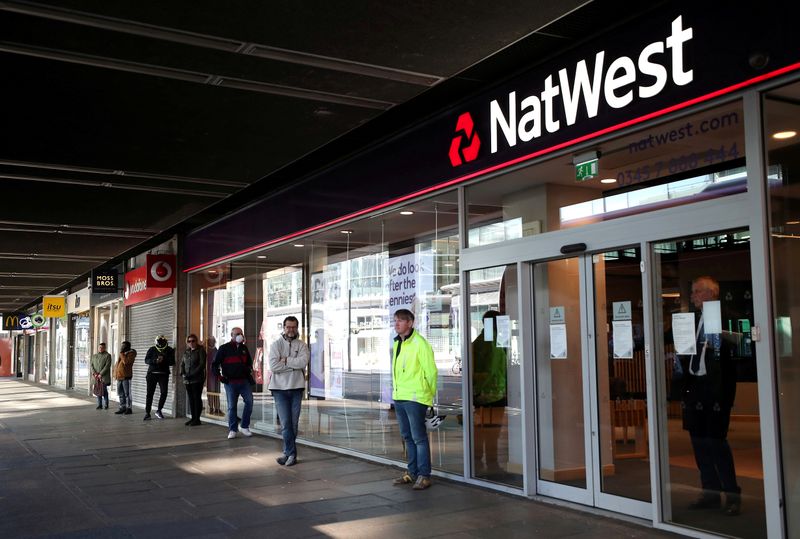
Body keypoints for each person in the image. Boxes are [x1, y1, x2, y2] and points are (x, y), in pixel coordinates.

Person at [674, 276, 741, 516]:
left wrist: (722, 336)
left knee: (716, 443)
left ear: (710, 294)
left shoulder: (727, 317)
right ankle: (710, 493)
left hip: (716, 388)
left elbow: (738, 347)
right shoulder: (692, 321)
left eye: (695, 292)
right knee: (699, 442)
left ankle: (732, 494)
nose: (692, 297)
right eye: (692, 293)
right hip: (695, 387)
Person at [390, 309, 437, 490]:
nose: (397, 324)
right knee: (407, 437)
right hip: (400, 396)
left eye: (400, 321)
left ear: (410, 323)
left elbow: (431, 372)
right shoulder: (398, 344)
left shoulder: (420, 344)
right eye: (395, 321)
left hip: (415, 397)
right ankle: (412, 472)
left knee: (419, 438)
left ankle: (424, 475)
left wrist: (428, 395)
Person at [268, 316, 309, 466]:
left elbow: (303, 362)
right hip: (279, 389)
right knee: (286, 424)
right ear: (284, 328)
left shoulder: (302, 345)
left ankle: (287, 453)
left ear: (296, 328)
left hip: (296, 388)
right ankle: (291, 454)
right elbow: (274, 366)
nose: (290, 330)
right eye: (288, 327)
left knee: (294, 424)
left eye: (293, 327)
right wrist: (294, 365)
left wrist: (285, 360)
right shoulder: (276, 345)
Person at [471, 310, 508, 476]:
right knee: (491, 433)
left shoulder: (481, 341)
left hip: (487, 393)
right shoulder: (492, 341)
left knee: (483, 432)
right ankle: (489, 464)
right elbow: (493, 369)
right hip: (492, 394)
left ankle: (481, 463)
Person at [212, 327, 254, 439]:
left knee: (249, 402)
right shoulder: (224, 348)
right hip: (230, 383)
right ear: (231, 335)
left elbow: (249, 363)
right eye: (236, 334)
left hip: (244, 381)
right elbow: (215, 364)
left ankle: (244, 426)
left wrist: (249, 369)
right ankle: (232, 429)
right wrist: (220, 377)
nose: (239, 335)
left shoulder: (244, 348)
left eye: (241, 333)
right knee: (232, 407)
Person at [143, 334, 175, 420]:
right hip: (152, 374)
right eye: (159, 341)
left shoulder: (169, 350)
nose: (161, 343)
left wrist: (164, 360)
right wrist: (155, 361)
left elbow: (172, 362)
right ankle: (147, 413)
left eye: (163, 341)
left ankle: (159, 410)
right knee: (150, 394)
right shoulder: (152, 349)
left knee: (164, 392)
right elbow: (146, 360)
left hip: (163, 374)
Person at [180, 334, 206, 426]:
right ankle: (193, 418)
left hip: (197, 379)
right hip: (187, 380)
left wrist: (191, 374)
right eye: (189, 341)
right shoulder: (186, 352)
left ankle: (197, 419)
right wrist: (183, 373)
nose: (191, 343)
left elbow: (202, 365)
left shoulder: (201, 350)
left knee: (196, 398)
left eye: (193, 341)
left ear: (196, 341)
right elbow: (182, 363)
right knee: (191, 399)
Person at [113, 341, 136, 415]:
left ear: (127, 347)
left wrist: (122, 354)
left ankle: (129, 408)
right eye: (122, 345)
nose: (122, 347)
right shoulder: (122, 354)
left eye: (123, 346)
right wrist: (115, 374)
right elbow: (118, 365)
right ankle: (122, 407)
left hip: (126, 376)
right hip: (119, 377)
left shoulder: (131, 354)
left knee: (127, 394)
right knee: (121, 394)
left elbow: (126, 362)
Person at [90, 343, 112, 410]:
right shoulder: (94, 356)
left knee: (104, 391)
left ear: (105, 348)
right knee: (98, 390)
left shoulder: (107, 355)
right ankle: (99, 405)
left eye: (102, 347)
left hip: (103, 377)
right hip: (96, 377)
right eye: (99, 347)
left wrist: (101, 374)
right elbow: (91, 365)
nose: (100, 349)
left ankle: (106, 404)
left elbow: (107, 366)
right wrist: (94, 373)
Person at [205, 336, 221, 415]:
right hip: (209, 374)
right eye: (210, 341)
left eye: (213, 341)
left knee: (216, 391)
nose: (212, 342)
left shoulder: (216, 350)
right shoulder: (206, 351)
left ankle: (217, 407)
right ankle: (211, 407)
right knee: (210, 391)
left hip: (216, 374)